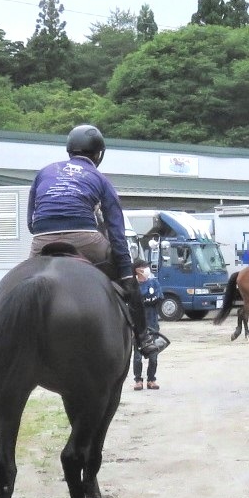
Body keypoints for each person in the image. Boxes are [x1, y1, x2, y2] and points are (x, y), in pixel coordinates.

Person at [27, 124, 169, 356]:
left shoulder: (43, 172)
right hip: (86, 238)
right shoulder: (100, 179)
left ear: (69, 150)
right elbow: (116, 230)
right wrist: (125, 270)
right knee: (128, 282)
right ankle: (144, 339)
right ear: (98, 154)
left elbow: (31, 222)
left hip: (42, 239)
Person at [131, 259, 162, 390]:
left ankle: (151, 379)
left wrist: (145, 300)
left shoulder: (154, 283)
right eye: (143, 267)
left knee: (153, 355)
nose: (146, 269)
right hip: (137, 326)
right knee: (137, 356)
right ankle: (138, 380)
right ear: (137, 270)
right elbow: (132, 302)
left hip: (152, 324)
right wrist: (147, 300)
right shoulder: (132, 285)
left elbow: (158, 297)